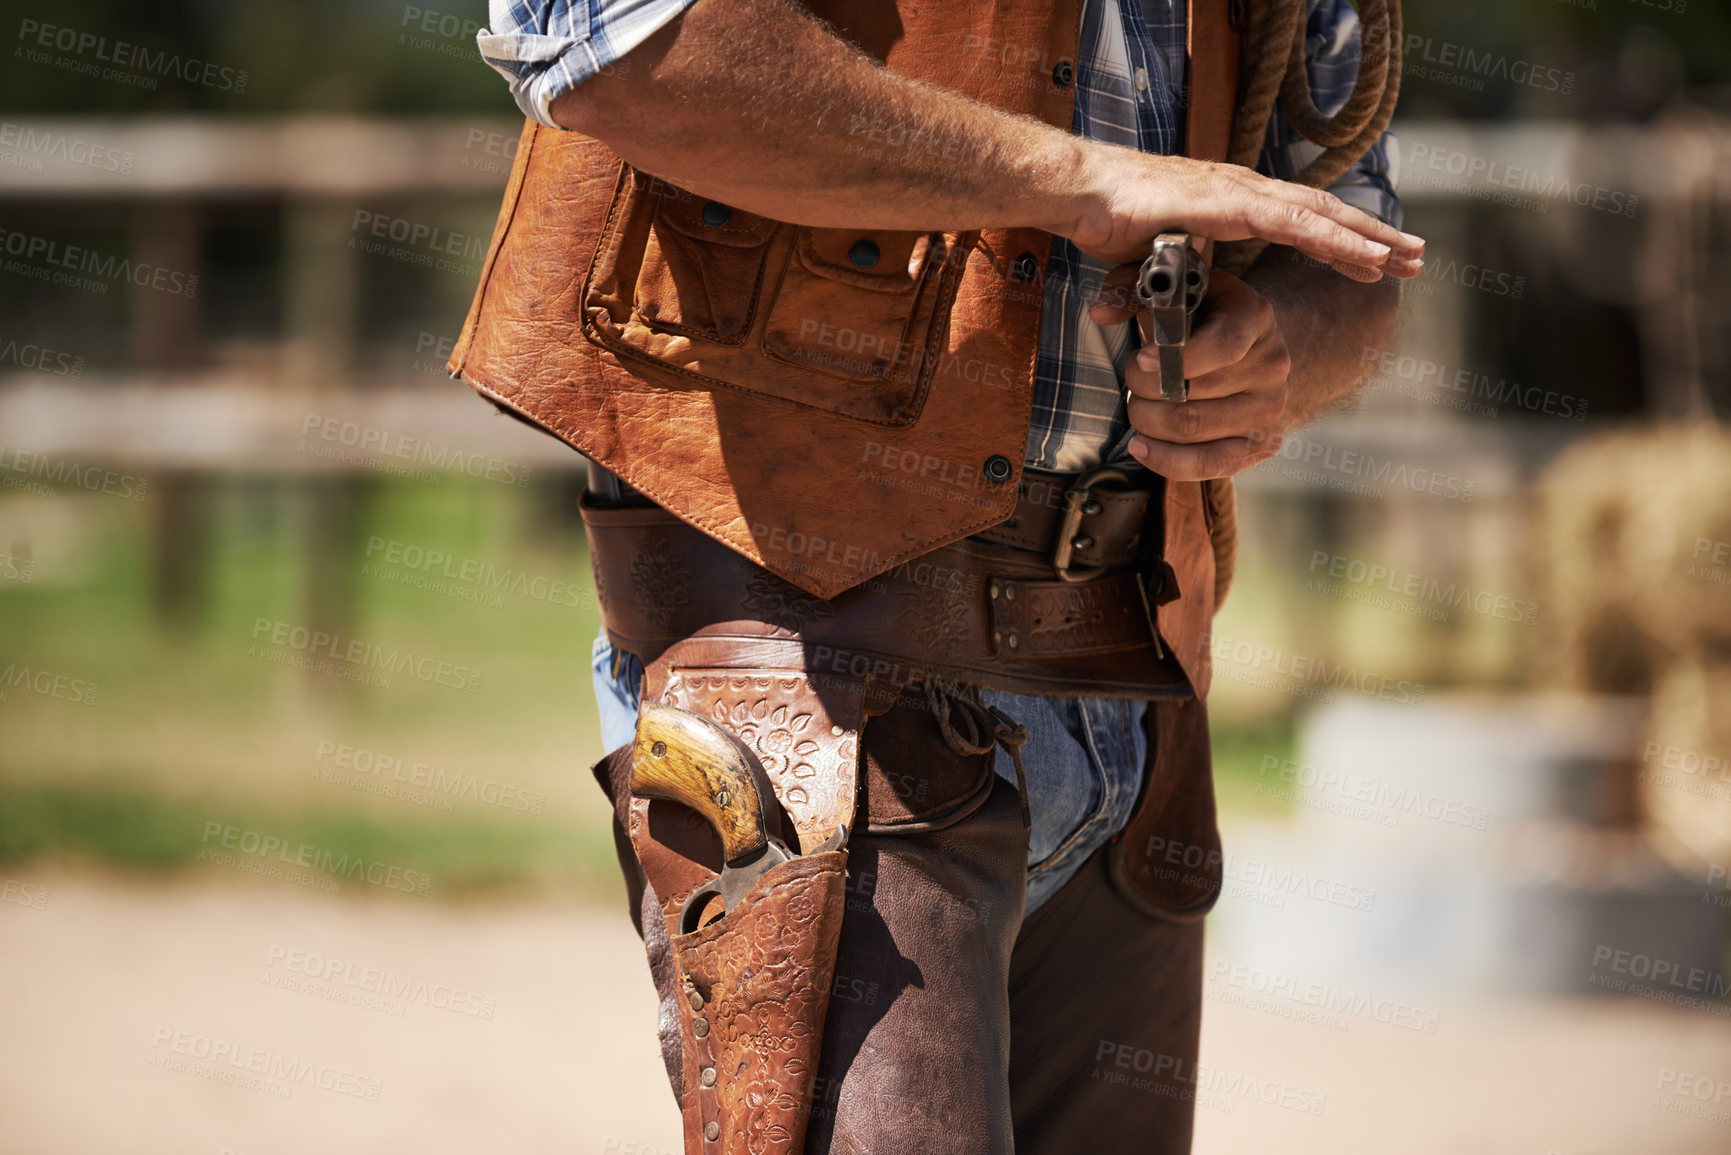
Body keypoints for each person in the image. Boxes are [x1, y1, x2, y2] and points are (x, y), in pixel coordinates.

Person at [458, 0, 1421, 1150]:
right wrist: (1077, 183)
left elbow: (1356, 240)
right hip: (809, 654)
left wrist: (1280, 347)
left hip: (1131, 676)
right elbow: (619, 48)